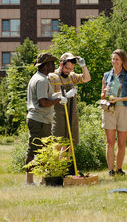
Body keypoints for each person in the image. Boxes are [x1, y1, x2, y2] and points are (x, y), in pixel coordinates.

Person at [25, 52, 64, 185]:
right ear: (46, 65)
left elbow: (45, 98)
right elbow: (43, 102)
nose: (54, 66)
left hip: (41, 119)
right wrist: (58, 99)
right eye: (52, 63)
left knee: (44, 151)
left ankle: (43, 180)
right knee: (34, 150)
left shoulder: (38, 78)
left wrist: (58, 96)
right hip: (39, 120)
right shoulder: (41, 80)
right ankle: (29, 181)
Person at [100, 49, 127, 177]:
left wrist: (119, 99)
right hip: (109, 110)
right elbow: (102, 96)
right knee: (110, 142)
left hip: (124, 110)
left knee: (121, 143)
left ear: (122, 61)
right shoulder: (106, 75)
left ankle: (119, 169)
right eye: (113, 59)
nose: (114, 61)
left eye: (117, 59)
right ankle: (111, 170)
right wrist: (104, 92)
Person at [48, 52, 91, 146]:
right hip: (58, 115)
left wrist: (83, 66)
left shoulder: (72, 76)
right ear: (61, 64)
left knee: (70, 144)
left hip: (72, 113)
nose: (68, 71)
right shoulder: (52, 76)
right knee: (58, 144)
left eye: (71, 69)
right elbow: (49, 96)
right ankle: (58, 161)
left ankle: (67, 161)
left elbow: (87, 78)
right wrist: (64, 96)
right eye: (67, 68)